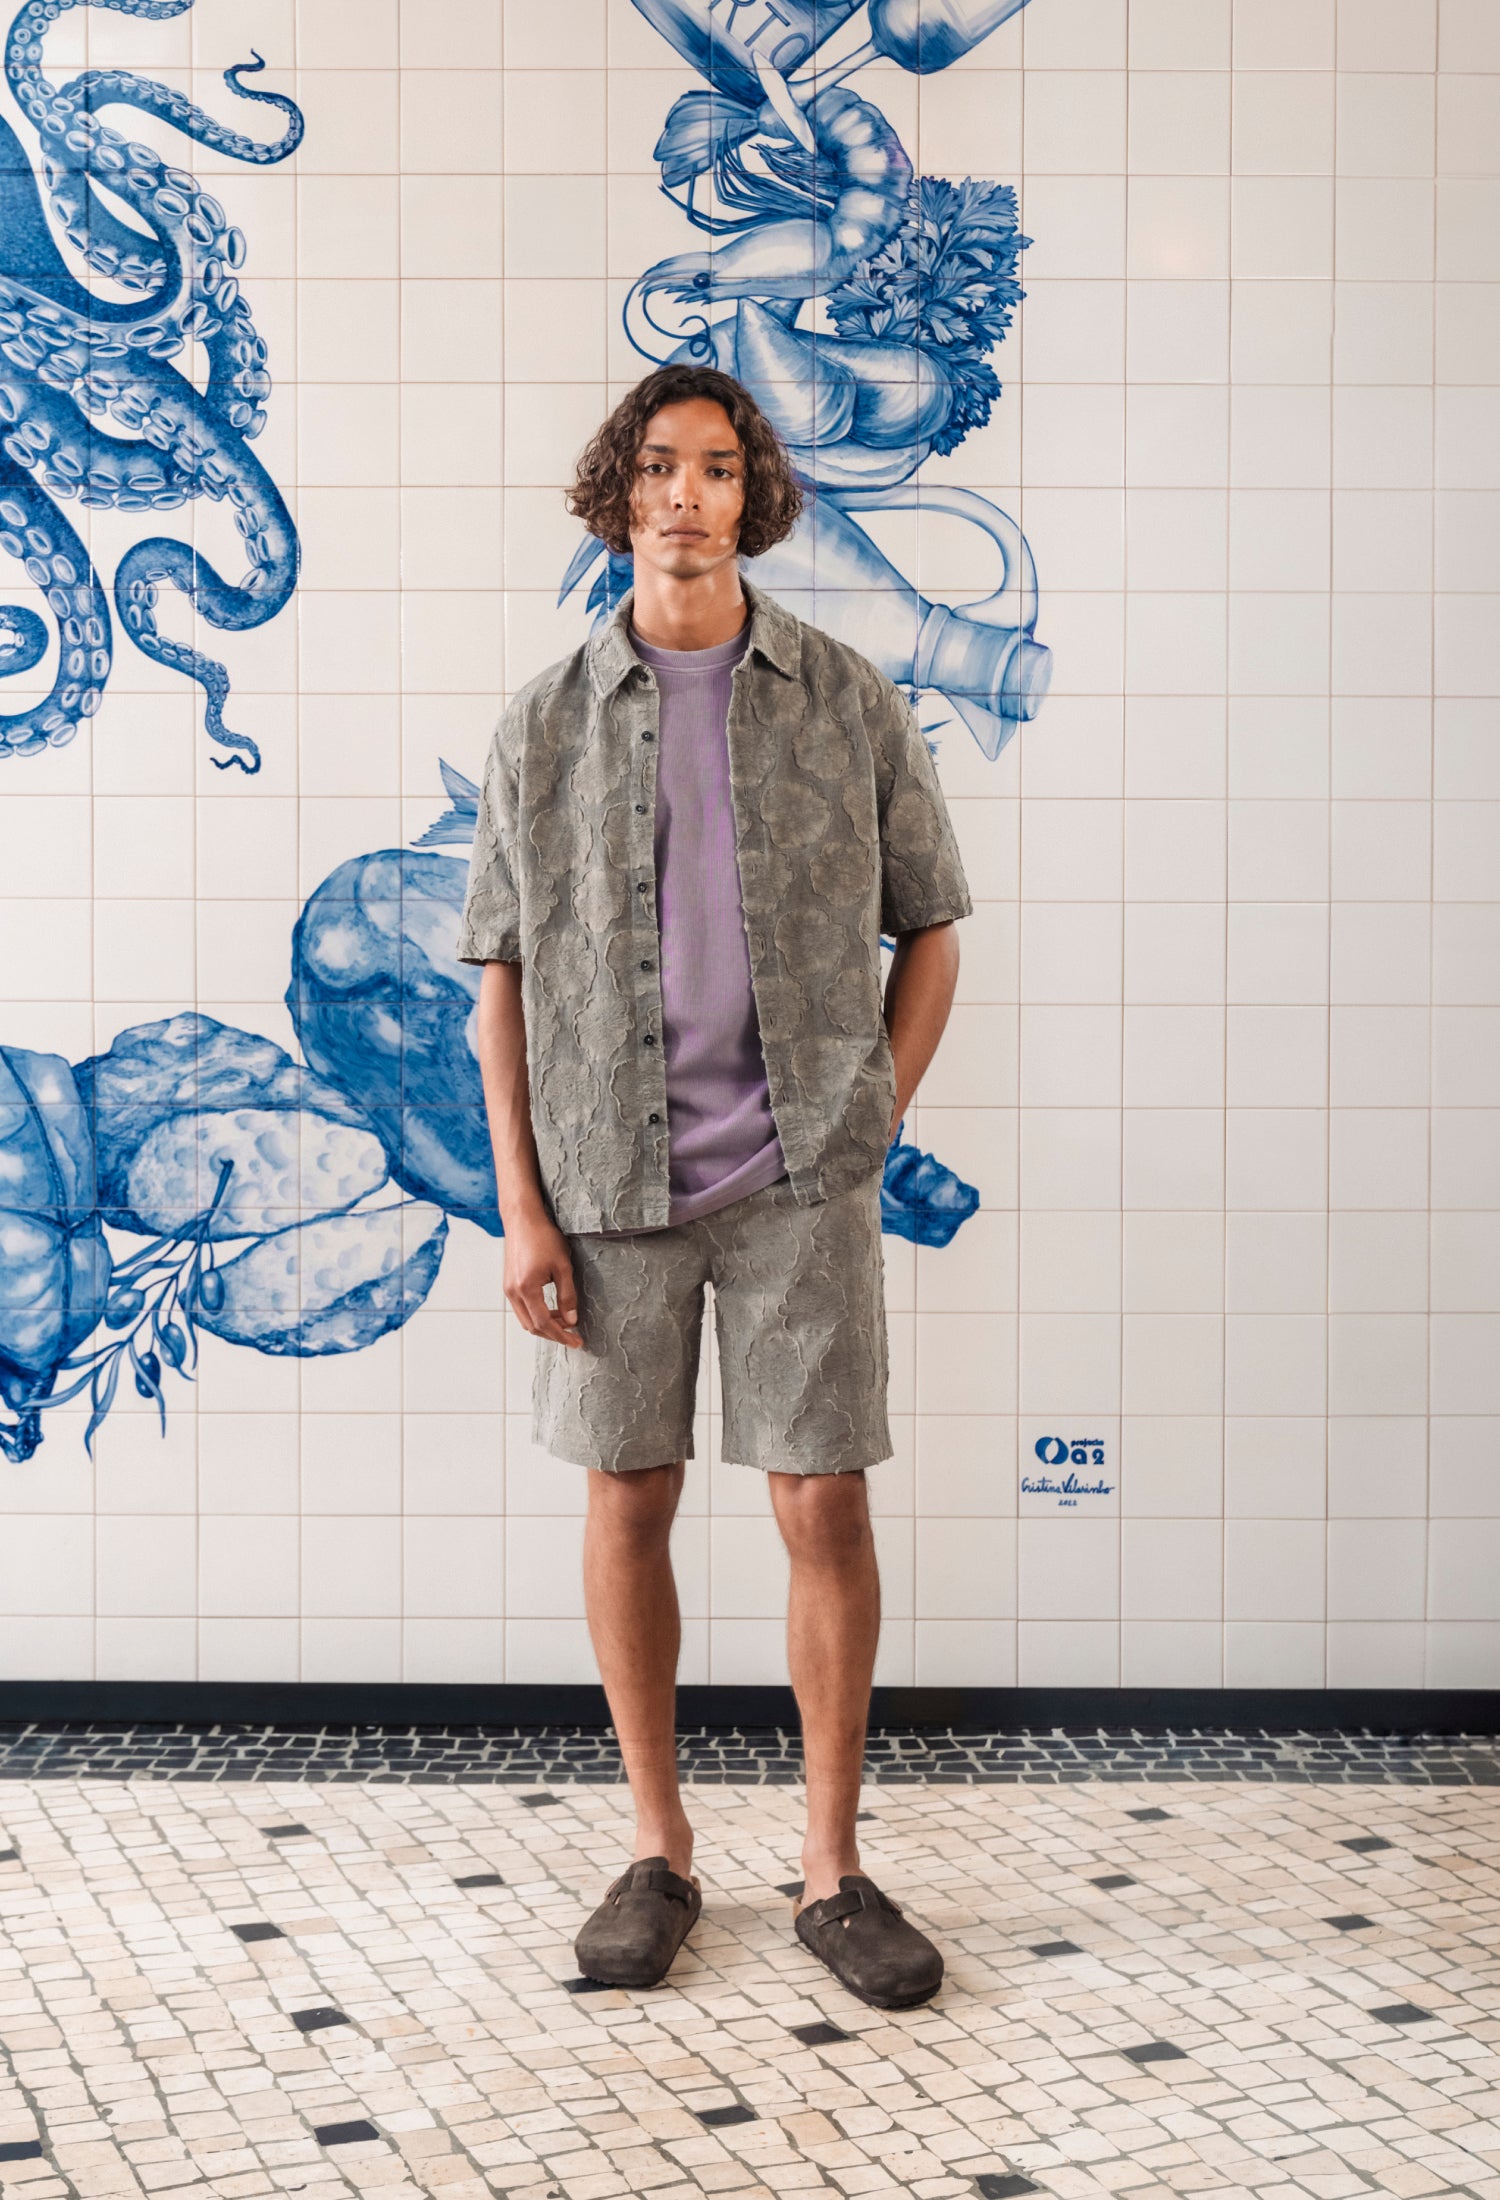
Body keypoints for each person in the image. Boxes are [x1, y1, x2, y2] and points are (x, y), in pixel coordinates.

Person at [457, 364, 972, 2009]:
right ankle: (658, 1850)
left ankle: (832, 1869)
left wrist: (869, 1112)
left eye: (720, 469)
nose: (687, 494)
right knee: (630, 1494)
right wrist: (522, 1206)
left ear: (755, 498)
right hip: (607, 1175)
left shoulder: (846, 698)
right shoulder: (542, 721)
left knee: (825, 1501)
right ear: (620, 492)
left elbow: (933, 924)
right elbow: (498, 983)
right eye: (660, 466)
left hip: (798, 1175)